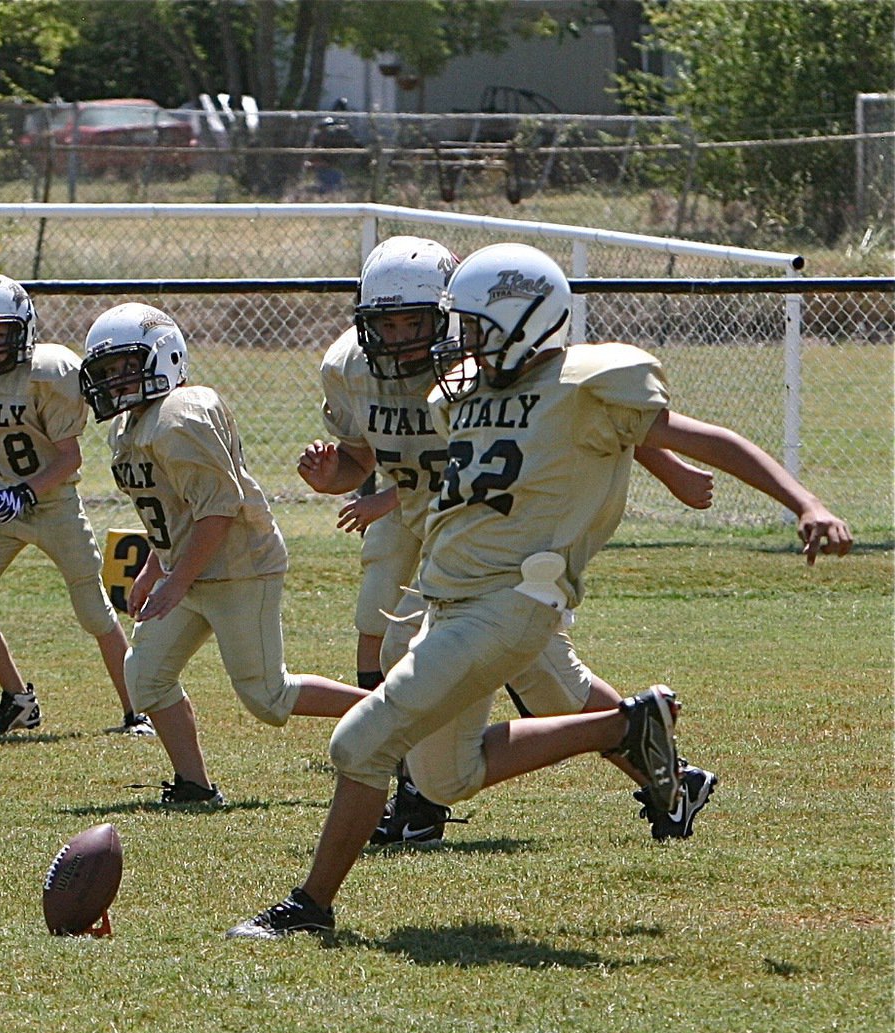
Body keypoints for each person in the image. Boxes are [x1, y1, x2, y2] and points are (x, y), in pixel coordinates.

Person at [227, 240, 848, 939]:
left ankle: (308, 909)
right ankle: (623, 725)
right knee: (444, 778)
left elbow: (715, 439)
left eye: (471, 325)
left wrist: (805, 504)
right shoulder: (462, 392)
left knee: (357, 747)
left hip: (509, 601)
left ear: (521, 320)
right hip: (450, 597)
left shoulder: (587, 384)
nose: (458, 341)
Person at [304, 237, 732, 845]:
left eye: (415, 322)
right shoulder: (350, 366)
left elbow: (584, 416)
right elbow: (360, 456)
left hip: (494, 543)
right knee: (553, 686)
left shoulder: (489, 359)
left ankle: (420, 804)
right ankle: (667, 771)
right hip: (446, 538)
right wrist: (340, 478)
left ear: (453, 314)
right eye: (386, 323)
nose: (399, 337)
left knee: (432, 661)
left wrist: (671, 467)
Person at [80, 302, 369, 806]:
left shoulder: (179, 416)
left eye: (125, 367)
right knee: (145, 676)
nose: (113, 381)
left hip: (238, 567)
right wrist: (156, 566)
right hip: (188, 569)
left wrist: (172, 580)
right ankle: (194, 786)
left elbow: (218, 509)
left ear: (162, 357)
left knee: (267, 697)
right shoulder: (128, 428)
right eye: (105, 372)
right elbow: (173, 510)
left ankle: (400, 714)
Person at [0, 274, 153, 739]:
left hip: (52, 504)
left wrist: (26, 492)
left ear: (21, 331)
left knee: (95, 612)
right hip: (1, 507)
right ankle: (17, 701)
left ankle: (140, 709)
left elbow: (71, 456)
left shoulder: (48, 373)